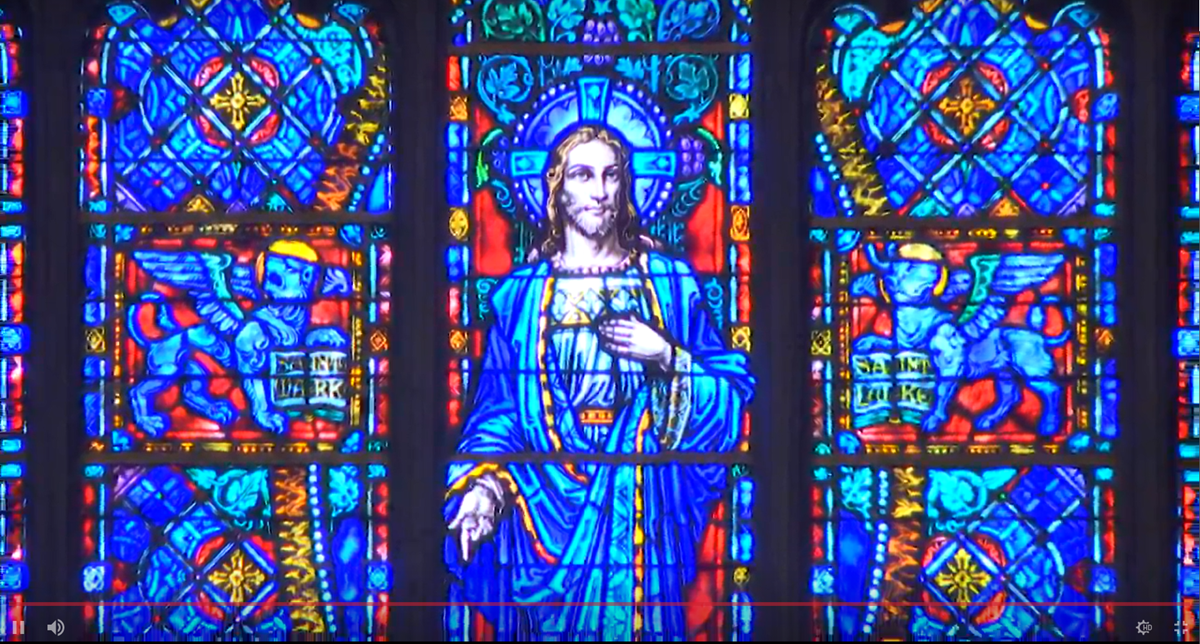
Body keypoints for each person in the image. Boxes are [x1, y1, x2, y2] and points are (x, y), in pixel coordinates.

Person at [444, 124, 756, 640]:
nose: (600, 190)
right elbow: (499, 415)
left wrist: (666, 355)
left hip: (646, 505)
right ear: (556, 188)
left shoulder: (669, 284)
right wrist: (485, 487)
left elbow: (730, 397)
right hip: (542, 502)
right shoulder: (521, 296)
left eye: (612, 176)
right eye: (583, 175)